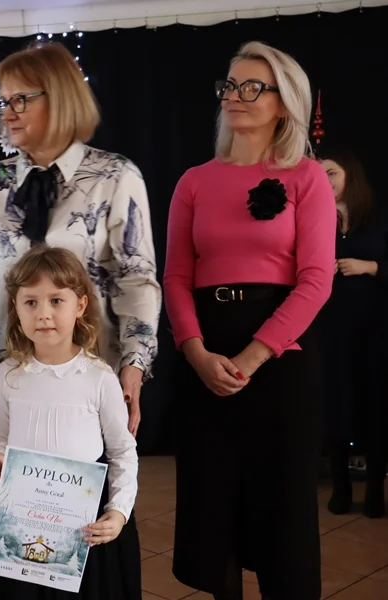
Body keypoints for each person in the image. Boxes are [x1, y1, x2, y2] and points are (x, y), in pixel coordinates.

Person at [163, 41, 336, 600]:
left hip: (279, 362)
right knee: (213, 507)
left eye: (252, 86)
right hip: (205, 356)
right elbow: (176, 277)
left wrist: (253, 357)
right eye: (230, 85)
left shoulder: (307, 177)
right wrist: (194, 350)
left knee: (282, 507)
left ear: (284, 103)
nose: (235, 95)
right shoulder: (193, 181)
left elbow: (317, 279)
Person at [0, 41, 160, 438]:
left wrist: (135, 362)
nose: (7, 113)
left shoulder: (115, 176)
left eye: (20, 100)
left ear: (60, 98)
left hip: (81, 374)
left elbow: (136, 280)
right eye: (4, 101)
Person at [0, 245, 140, 600]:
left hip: (83, 525)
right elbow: (1, 436)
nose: (43, 314)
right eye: (31, 302)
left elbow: (122, 452)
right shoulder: (7, 375)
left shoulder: (99, 378)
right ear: (16, 308)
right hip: (22, 520)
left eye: (56, 301)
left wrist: (118, 512)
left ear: (80, 305)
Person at [317, 145, 387, 518]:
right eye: (320, 174)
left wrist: (369, 267)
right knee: (334, 407)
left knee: (374, 407)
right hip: (330, 332)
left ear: (350, 176)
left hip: (374, 331)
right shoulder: (315, 220)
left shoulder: (377, 220)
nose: (325, 180)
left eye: (331, 173)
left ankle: (375, 489)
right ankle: (341, 487)